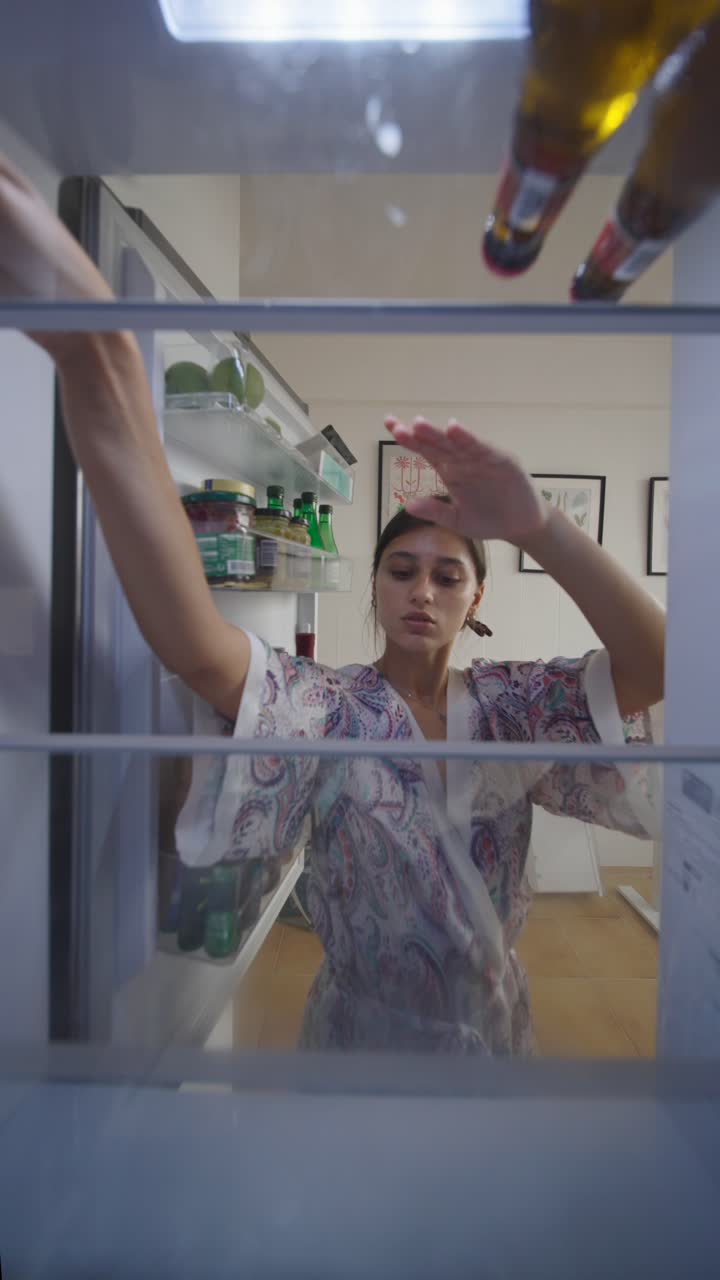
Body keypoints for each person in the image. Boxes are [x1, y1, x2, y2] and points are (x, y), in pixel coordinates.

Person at [0, 155, 665, 1054]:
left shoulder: (513, 709)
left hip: (493, 1042)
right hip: (358, 1039)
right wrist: (103, 355)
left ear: (477, 595)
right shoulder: (334, 710)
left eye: (447, 575)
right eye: (401, 570)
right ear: (376, 585)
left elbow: (660, 665)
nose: (422, 590)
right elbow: (195, 646)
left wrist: (539, 525)